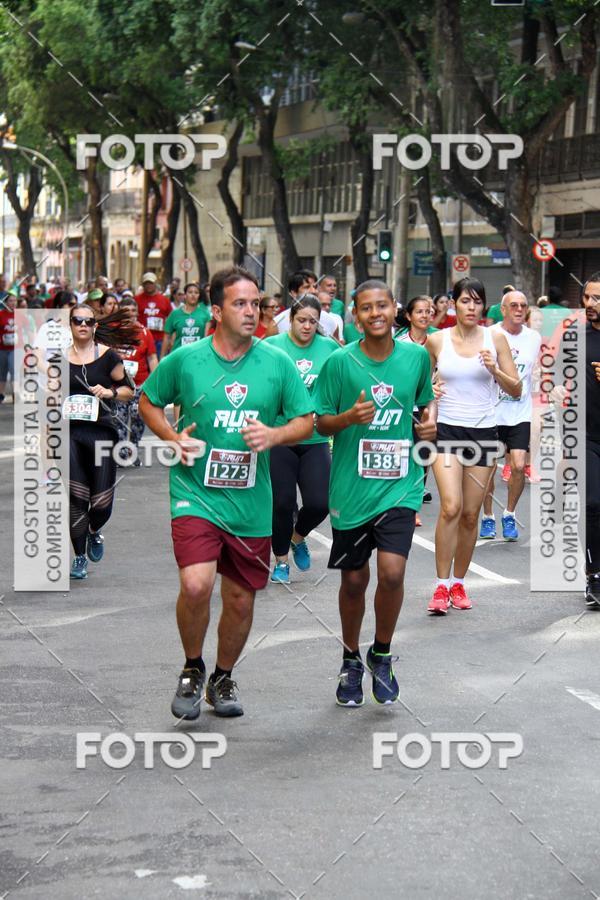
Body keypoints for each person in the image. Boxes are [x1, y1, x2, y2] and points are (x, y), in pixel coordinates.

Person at [139, 265, 313, 720]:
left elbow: (305, 420)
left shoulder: (276, 362)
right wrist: (172, 438)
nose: (251, 311)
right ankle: (192, 668)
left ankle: (222, 676)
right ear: (216, 310)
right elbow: (148, 401)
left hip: (251, 502)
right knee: (196, 584)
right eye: (240, 303)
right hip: (195, 493)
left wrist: (274, 436)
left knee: (239, 598)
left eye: (256, 303)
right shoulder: (187, 359)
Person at [314, 279, 436, 707]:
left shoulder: (416, 357)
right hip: (351, 490)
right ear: (355, 314)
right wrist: (347, 417)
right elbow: (320, 422)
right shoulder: (339, 363)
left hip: (400, 485)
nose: (375, 314)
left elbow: (424, 402)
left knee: (392, 573)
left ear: (394, 308)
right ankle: (350, 658)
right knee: (353, 581)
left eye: (382, 305)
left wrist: (429, 424)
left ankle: (381, 653)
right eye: (366, 308)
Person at [426, 277, 521, 614]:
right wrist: (429, 393)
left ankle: (459, 583)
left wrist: (494, 369)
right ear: (453, 304)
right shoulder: (436, 341)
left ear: (483, 306)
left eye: (477, 301)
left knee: (469, 515)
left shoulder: (495, 338)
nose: (471, 307)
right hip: (447, 432)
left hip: (483, 434)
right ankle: (439, 587)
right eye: (465, 300)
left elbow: (516, 389)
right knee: (450, 506)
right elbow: (419, 384)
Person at [265, 295, 338, 583]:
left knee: (320, 503)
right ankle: (281, 561)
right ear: (290, 321)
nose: (307, 326)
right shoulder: (272, 347)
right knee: (282, 503)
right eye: (301, 320)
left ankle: (298, 537)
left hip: (315, 437)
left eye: (313, 321)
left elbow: (343, 381)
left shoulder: (330, 348)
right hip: (280, 436)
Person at [65, 305, 136, 579]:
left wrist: (109, 391)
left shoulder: (108, 358)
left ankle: (94, 531)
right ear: (70, 325)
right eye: (77, 320)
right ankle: (79, 557)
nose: (82, 324)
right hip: (69, 435)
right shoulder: (59, 361)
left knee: (102, 504)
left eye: (88, 321)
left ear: (95, 326)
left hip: (101, 434)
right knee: (77, 498)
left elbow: (130, 391)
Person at [479, 291, 541, 541]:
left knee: (517, 466)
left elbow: (532, 372)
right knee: (488, 469)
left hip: (519, 412)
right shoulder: (488, 335)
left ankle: (510, 514)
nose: (518, 309)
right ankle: (488, 517)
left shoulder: (533, 338)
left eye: (523, 306)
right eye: (513, 305)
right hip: (491, 412)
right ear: (502, 310)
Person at [394, 295, 439, 520]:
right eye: (419, 311)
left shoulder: (438, 341)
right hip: (405, 407)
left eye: (428, 311)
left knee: (424, 454)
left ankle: (417, 495)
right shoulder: (399, 342)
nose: (425, 315)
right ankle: (408, 504)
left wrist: (437, 386)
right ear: (409, 316)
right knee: (407, 454)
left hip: (432, 406)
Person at [114, 298, 158, 464]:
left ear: (137, 313)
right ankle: (121, 453)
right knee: (119, 419)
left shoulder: (145, 332)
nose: (130, 314)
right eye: (126, 311)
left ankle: (132, 449)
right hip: (118, 384)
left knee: (137, 419)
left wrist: (156, 380)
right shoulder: (112, 331)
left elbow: (152, 358)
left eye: (133, 311)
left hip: (139, 384)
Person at [275, 273, 341, 340]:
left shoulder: (330, 321)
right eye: (307, 287)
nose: (313, 291)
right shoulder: (277, 323)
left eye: (315, 287)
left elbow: (337, 348)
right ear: (293, 293)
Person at [161, 282, 211, 358]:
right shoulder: (175, 314)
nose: (193, 295)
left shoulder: (205, 313)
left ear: (199, 296)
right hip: (179, 355)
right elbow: (167, 337)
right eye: (190, 292)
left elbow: (207, 338)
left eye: (196, 293)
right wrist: (162, 358)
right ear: (185, 295)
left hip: (197, 355)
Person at [135, 272, 171, 357]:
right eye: (146, 283)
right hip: (142, 337)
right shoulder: (137, 299)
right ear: (143, 285)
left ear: (155, 284)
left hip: (159, 339)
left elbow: (170, 318)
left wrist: (169, 338)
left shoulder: (164, 300)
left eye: (150, 283)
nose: (148, 286)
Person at [0, 291, 16, 403]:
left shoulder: (20, 314)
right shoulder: (1, 314)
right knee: (2, 372)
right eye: (10, 301)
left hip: (15, 348)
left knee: (13, 369)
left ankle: (16, 394)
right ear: (5, 302)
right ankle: (1, 394)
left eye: (15, 301)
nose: (13, 303)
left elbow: (28, 329)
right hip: (2, 347)